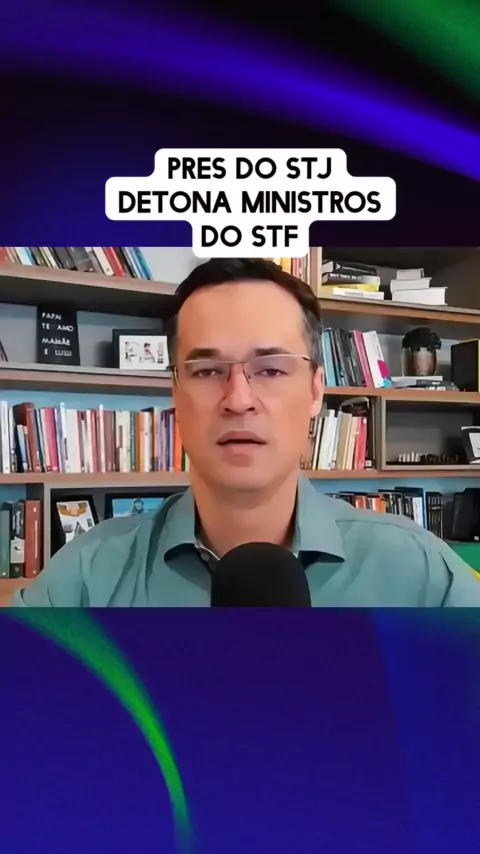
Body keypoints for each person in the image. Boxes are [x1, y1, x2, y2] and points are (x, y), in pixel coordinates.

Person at [10, 257, 480, 607]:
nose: (238, 399)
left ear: (315, 391)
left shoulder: (420, 575)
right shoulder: (86, 578)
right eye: (206, 371)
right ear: (175, 394)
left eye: (271, 369)